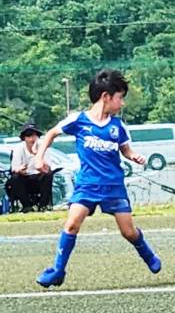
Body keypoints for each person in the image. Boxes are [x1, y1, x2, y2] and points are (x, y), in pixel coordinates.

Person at [35, 69, 161, 288]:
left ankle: (148, 255)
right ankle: (57, 271)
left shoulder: (117, 126)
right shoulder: (79, 120)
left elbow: (126, 150)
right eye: (120, 98)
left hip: (113, 186)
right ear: (106, 97)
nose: (122, 104)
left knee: (128, 232)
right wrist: (39, 158)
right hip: (87, 185)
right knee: (72, 224)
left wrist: (134, 156)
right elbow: (51, 134)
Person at [8, 122, 54, 212]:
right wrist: (20, 170)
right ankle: (27, 206)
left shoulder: (42, 147)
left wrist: (37, 154)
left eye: (34, 135)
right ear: (24, 138)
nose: (32, 139)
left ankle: (43, 205)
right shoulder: (18, 149)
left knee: (49, 175)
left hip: (39, 177)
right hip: (25, 178)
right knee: (15, 178)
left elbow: (47, 168)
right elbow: (14, 168)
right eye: (29, 136)